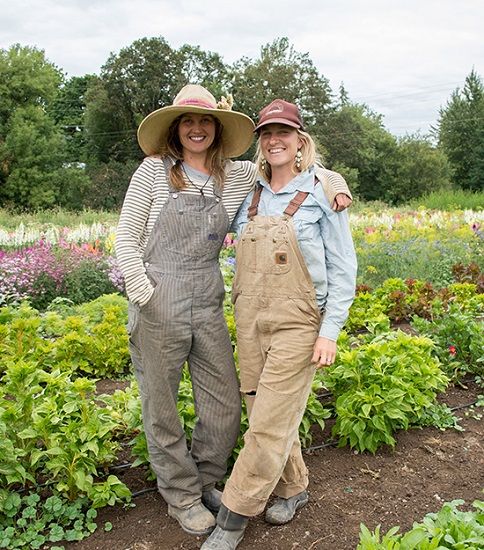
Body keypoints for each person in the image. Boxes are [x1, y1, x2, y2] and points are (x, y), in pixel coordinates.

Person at [115, 85, 352, 538]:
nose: (197, 128)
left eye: (206, 121)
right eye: (188, 121)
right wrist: (145, 292)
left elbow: (295, 167)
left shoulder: (236, 176)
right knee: (161, 404)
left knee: (225, 403)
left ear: (218, 129)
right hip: (158, 293)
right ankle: (181, 494)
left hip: (207, 295)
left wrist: (333, 181)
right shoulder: (153, 172)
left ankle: (207, 480)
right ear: (176, 128)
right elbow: (125, 238)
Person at [201, 99, 358, 550]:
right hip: (250, 319)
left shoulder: (323, 193)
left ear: (299, 141)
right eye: (267, 133)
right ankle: (294, 487)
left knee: (268, 422)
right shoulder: (249, 192)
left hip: (299, 322)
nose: (274, 140)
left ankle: (232, 519)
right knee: (261, 411)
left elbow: (344, 268)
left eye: (283, 133)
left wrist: (329, 331)